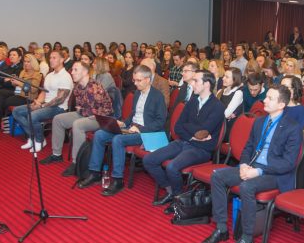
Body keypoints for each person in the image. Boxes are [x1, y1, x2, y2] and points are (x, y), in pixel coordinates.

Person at [201, 85, 302, 243]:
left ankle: (247, 239)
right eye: (267, 97)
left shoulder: (292, 127)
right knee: (217, 176)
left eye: (270, 98)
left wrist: (259, 172)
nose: (265, 100)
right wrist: (243, 165)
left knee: (247, 187)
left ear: (282, 104)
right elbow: (248, 147)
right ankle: (221, 228)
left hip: (275, 174)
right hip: (251, 167)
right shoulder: (260, 121)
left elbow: (288, 163)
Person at [143, 70, 226, 213]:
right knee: (149, 159)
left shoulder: (217, 106)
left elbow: (203, 131)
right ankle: (172, 191)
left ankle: (178, 200)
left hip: (202, 149)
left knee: (172, 167)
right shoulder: (193, 100)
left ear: (206, 84)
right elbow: (178, 126)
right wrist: (193, 135)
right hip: (184, 142)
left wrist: (192, 131)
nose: (192, 84)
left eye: (196, 81)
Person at [78, 65, 166, 196]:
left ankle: (118, 180)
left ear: (148, 80)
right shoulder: (137, 93)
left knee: (118, 139)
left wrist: (140, 129)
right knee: (100, 134)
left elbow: (160, 122)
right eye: (134, 80)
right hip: (131, 128)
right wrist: (123, 123)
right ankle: (94, 172)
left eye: (138, 80)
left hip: (146, 132)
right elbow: (133, 113)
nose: (135, 83)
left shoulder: (157, 96)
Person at [40, 60, 113, 176]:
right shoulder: (78, 87)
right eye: (72, 69)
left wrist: (83, 111)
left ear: (85, 72)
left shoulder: (94, 87)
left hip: (101, 118)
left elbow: (105, 111)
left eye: (75, 70)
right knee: (58, 119)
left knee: (78, 124)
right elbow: (81, 108)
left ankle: (76, 163)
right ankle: (56, 154)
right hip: (85, 114)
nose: (72, 72)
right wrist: (83, 111)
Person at [12, 50, 73, 153]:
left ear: (62, 59)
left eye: (54, 58)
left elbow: (60, 99)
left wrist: (41, 106)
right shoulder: (50, 75)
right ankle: (33, 137)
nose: (51, 60)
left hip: (59, 108)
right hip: (46, 105)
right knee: (17, 111)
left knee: (33, 115)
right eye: (50, 58)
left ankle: (39, 141)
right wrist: (38, 102)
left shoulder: (65, 76)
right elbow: (44, 93)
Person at [0, 53, 43, 136]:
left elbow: (33, 89)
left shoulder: (37, 74)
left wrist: (19, 83)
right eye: (25, 62)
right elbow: (17, 86)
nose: (26, 63)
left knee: (4, 101)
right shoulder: (23, 72)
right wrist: (14, 82)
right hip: (18, 93)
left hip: (27, 97)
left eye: (28, 62)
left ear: (33, 63)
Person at [217, 67, 243, 140]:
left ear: (235, 79)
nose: (223, 78)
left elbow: (226, 114)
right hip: (217, 124)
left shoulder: (238, 93)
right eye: (224, 76)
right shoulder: (220, 91)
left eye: (227, 77)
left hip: (227, 128)